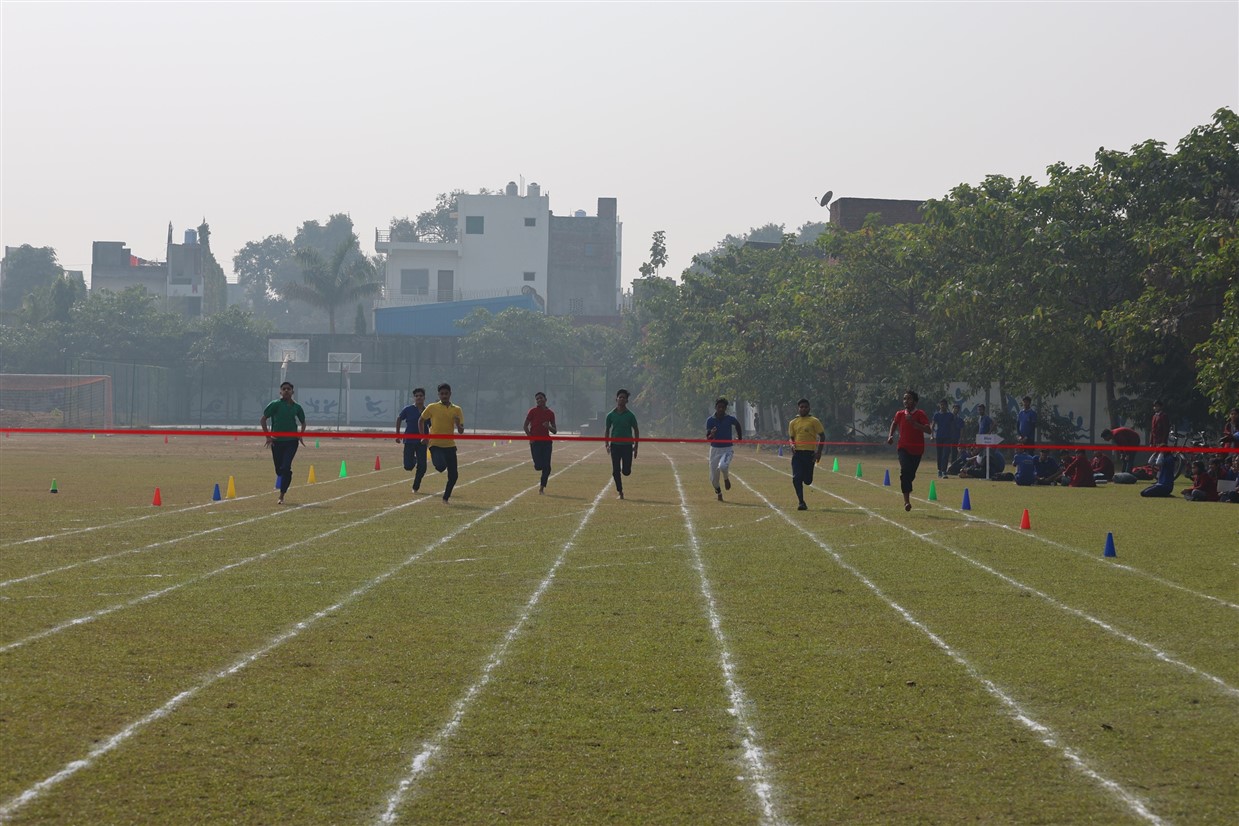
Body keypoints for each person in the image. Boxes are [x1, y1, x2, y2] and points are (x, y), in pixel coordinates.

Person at [261, 381, 307, 506]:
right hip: (277, 441)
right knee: (279, 470)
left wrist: (300, 435)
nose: (286, 391)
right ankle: (286, 476)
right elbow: (263, 419)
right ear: (280, 392)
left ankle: (282, 495)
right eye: (284, 389)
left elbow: (303, 422)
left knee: (286, 467)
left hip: (291, 442)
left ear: (292, 392)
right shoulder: (275, 404)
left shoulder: (297, 407)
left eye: (288, 389)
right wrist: (268, 436)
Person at [420, 383, 465, 503]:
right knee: (440, 466)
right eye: (442, 394)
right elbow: (421, 420)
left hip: (450, 446)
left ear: (450, 394)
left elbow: (461, 431)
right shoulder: (432, 407)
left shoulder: (457, 409)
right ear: (438, 395)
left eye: (446, 393)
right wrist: (423, 436)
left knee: (454, 476)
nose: (444, 396)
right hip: (435, 444)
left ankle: (445, 498)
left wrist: (458, 424)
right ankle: (438, 461)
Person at [887, 389, 932, 512]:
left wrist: (914, 423)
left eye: (909, 398)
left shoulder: (920, 414)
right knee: (905, 471)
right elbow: (894, 423)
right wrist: (890, 435)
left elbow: (928, 430)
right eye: (904, 398)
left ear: (915, 402)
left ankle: (907, 485)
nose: (906, 401)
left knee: (910, 475)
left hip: (917, 449)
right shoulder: (900, 414)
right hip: (903, 448)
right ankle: (906, 502)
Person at [788, 397, 825, 511]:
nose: (803, 409)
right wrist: (792, 445)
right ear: (798, 408)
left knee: (808, 480)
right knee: (796, 478)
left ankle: (805, 476)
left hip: (809, 455)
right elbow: (791, 438)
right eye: (801, 407)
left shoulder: (814, 421)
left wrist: (818, 452)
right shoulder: (793, 422)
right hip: (797, 454)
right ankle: (801, 502)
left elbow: (822, 436)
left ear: (809, 408)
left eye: (805, 407)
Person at [604, 389, 639, 500]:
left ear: (627, 401)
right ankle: (620, 491)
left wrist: (636, 446)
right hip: (615, 445)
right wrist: (607, 444)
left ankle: (626, 469)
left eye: (624, 398)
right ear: (616, 399)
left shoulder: (630, 415)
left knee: (626, 471)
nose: (622, 399)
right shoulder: (610, 415)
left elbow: (636, 430)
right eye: (620, 397)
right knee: (615, 471)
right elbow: (607, 430)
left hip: (627, 446)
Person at [706, 397, 742, 501]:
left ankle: (726, 479)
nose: (721, 409)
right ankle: (719, 492)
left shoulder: (729, 419)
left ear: (726, 408)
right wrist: (712, 434)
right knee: (713, 479)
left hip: (727, 449)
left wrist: (739, 438)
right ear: (715, 407)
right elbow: (708, 438)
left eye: (723, 407)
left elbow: (737, 425)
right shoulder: (710, 420)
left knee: (723, 466)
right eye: (719, 407)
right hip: (714, 450)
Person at [523, 391, 557, 494]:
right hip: (535, 442)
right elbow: (525, 426)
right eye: (537, 399)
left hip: (546, 443)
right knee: (538, 466)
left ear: (545, 399)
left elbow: (555, 431)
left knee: (547, 467)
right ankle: (539, 465)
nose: (539, 400)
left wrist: (548, 426)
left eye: (541, 398)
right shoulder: (532, 411)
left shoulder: (550, 413)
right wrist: (530, 438)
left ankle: (541, 488)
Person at [396, 387, 429, 493]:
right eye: (416, 396)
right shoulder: (408, 409)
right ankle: (414, 459)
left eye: (421, 396)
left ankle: (415, 486)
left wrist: (430, 438)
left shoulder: (428, 410)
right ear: (413, 398)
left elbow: (432, 425)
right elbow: (399, 419)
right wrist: (397, 434)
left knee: (422, 467)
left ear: (424, 397)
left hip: (422, 442)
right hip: (409, 440)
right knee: (408, 466)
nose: (419, 397)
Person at [931, 399, 954, 479]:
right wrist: (932, 435)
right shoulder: (937, 415)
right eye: (941, 405)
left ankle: (944, 471)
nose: (942, 406)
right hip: (939, 437)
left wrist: (952, 435)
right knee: (939, 454)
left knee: (945, 454)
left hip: (947, 437)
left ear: (946, 405)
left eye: (944, 405)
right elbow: (933, 425)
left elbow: (952, 426)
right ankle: (939, 470)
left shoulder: (950, 415)